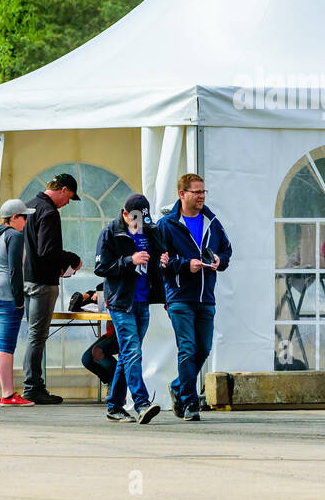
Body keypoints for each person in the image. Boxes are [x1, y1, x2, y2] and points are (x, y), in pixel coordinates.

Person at [156, 173, 232, 422]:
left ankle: (178, 386)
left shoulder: (213, 222)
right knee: (187, 349)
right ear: (182, 194)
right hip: (179, 296)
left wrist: (220, 261)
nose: (201, 196)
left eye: (203, 192)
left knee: (203, 349)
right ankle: (189, 402)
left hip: (206, 297)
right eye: (196, 192)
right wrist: (184, 265)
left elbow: (226, 250)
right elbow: (161, 263)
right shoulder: (167, 225)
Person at [94, 193, 168, 423]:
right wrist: (130, 260)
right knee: (132, 351)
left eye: (143, 222)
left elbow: (158, 258)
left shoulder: (151, 231)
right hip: (120, 302)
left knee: (127, 355)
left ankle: (114, 406)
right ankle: (141, 403)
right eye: (135, 221)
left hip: (143, 301)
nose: (139, 226)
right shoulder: (110, 233)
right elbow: (101, 267)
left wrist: (163, 261)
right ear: (125, 214)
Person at [21, 173, 83, 405]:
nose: (67, 203)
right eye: (69, 197)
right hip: (43, 282)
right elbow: (48, 251)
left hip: (26, 279)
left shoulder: (28, 206)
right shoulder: (48, 212)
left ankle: (32, 384)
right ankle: (33, 387)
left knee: (32, 335)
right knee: (38, 336)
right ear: (63, 190)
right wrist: (71, 258)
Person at [0, 199, 36, 407]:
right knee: (5, 346)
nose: (26, 221)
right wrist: (19, 299)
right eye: (24, 217)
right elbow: (14, 270)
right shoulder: (14, 236)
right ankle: (8, 394)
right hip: (6, 296)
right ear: (14, 218)